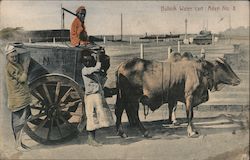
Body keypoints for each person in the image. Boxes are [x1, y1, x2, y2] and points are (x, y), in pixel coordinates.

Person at [81, 53, 114, 146]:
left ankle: (92, 139)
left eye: (89, 61)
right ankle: (91, 140)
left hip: (95, 95)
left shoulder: (91, 72)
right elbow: (97, 68)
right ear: (83, 63)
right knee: (92, 117)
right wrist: (99, 60)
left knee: (96, 116)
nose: (88, 62)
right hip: (91, 96)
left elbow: (99, 77)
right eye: (86, 61)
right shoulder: (85, 70)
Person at [5, 44, 32, 151]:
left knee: (22, 121)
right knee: (18, 122)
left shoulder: (15, 64)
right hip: (17, 98)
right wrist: (25, 69)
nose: (15, 58)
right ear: (7, 57)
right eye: (12, 57)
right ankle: (17, 145)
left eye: (16, 56)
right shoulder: (10, 67)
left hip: (21, 97)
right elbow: (22, 79)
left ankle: (20, 144)